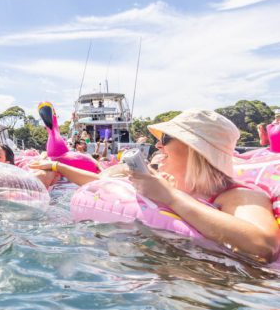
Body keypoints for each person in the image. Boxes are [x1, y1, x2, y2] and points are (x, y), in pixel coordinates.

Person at [30, 109, 279, 264]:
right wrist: (57, 168)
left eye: (165, 139)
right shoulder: (166, 181)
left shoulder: (238, 195)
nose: (158, 146)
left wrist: (169, 196)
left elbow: (264, 244)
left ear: (195, 149)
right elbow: (106, 185)